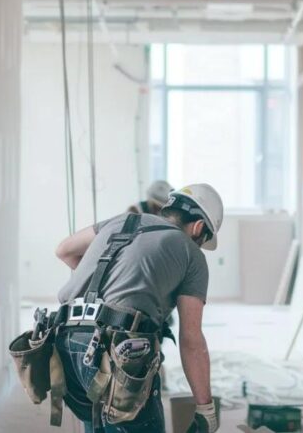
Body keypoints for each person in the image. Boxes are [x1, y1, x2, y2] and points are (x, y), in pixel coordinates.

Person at [53, 184, 223, 433]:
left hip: (66, 343)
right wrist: (205, 407)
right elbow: (192, 340)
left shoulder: (123, 221)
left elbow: (64, 250)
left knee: (98, 424)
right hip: (119, 350)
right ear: (198, 228)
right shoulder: (191, 255)